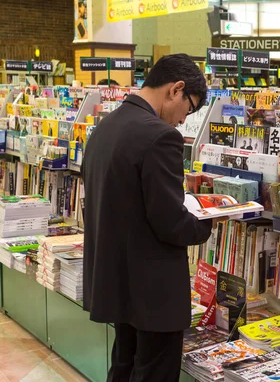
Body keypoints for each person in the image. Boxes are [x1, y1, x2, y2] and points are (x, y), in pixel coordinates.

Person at [82, 54, 223, 382]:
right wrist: (210, 218)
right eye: (187, 110)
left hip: (118, 282)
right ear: (176, 89)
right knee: (154, 372)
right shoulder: (160, 136)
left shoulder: (105, 127)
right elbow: (170, 222)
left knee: (124, 365)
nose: (181, 122)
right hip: (153, 291)